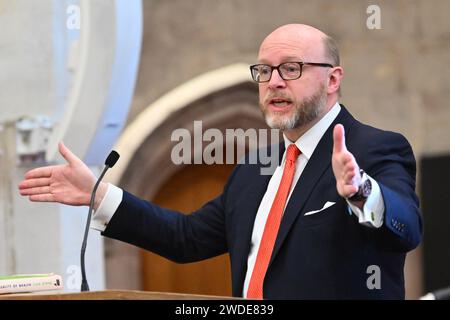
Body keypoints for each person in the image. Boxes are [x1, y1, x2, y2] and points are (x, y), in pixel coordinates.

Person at [18, 24, 422, 299]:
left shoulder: (376, 149)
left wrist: (361, 192)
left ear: (333, 79)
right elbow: (186, 237)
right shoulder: (254, 168)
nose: (274, 82)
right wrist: (99, 194)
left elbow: (407, 226)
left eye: (292, 68)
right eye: (264, 71)